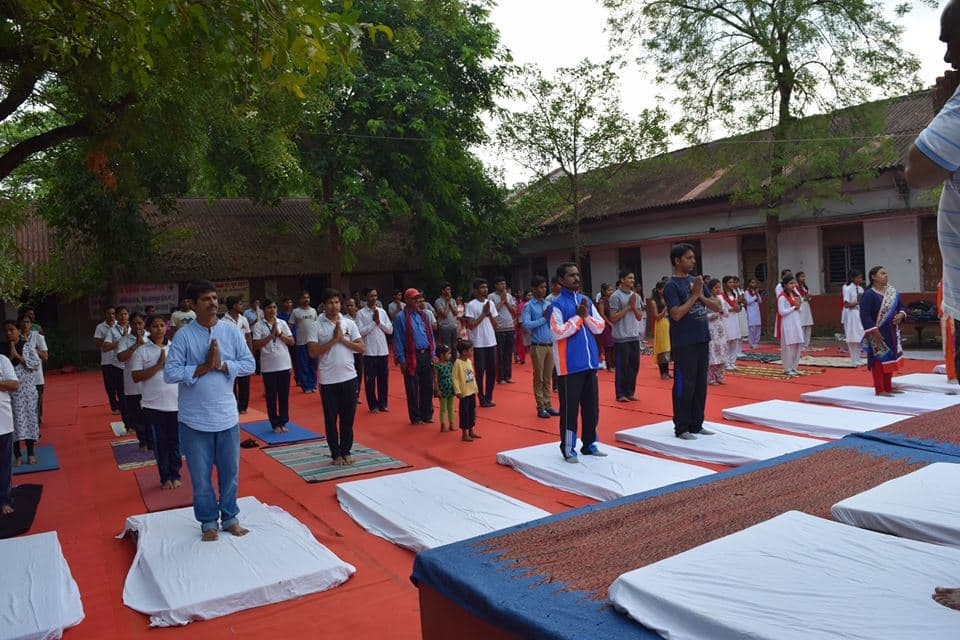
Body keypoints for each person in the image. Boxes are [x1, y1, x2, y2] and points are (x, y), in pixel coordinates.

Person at [164, 280, 255, 541]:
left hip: (226, 416)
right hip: (194, 421)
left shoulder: (230, 331)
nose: (213, 303)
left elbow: (249, 363)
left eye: (215, 298)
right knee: (201, 478)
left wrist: (223, 365)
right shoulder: (182, 336)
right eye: (206, 299)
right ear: (192, 305)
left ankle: (230, 518)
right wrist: (202, 367)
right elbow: (170, 374)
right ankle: (208, 522)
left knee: (230, 474)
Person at [549, 262, 607, 462]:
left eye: (577, 274)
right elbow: (558, 332)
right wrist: (578, 318)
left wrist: (584, 316)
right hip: (569, 366)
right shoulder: (556, 305)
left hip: (590, 364)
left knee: (592, 408)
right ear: (561, 280)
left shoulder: (585, 300)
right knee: (570, 410)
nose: (576, 278)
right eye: (571, 275)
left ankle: (589, 444)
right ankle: (568, 448)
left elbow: (599, 327)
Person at [664, 244, 720, 440]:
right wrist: (694, 296)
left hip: (701, 337)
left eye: (694, 258)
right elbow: (676, 314)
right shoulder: (671, 286)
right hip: (684, 342)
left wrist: (701, 295)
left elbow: (717, 306)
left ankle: (697, 423)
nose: (693, 261)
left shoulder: (696, 281)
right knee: (684, 384)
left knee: (699, 384)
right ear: (677, 261)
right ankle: (682, 426)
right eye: (689, 258)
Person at [308, 289, 364, 465]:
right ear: (324, 305)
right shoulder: (316, 325)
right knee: (331, 420)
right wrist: (333, 340)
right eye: (330, 303)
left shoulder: (349, 323)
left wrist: (343, 340)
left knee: (348, 418)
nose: (334, 306)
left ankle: (346, 450)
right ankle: (336, 454)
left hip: (349, 377)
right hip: (329, 380)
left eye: (337, 302)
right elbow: (312, 352)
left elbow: (361, 347)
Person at [132, 315, 181, 489]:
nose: (159, 329)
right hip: (153, 405)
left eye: (162, 325)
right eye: (155, 326)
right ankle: (165, 477)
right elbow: (136, 377)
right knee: (160, 443)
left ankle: (176, 474)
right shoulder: (142, 350)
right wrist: (159, 365)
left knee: (175, 442)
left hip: (175, 403)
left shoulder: (175, 347)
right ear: (148, 329)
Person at [860, 266, 907, 397]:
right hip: (876, 332)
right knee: (879, 359)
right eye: (882, 273)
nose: (886, 275)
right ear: (873, 277)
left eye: (886, 273)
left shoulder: (891, 292)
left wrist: (901, 314)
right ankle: (880, 389)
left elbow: (901, 306)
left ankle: (888, 386)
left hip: (891, 331)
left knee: (890, 358)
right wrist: (873, 331)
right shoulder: (869, 294)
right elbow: (864, 315)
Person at [394, 287, 436, 424]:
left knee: (427, 385)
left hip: (426, 354)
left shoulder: (424, 314)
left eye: (418, 298)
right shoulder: (401, 317)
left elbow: (430, 334)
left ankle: (427, 414)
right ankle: (415, 417)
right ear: (407, 300)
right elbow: (398, 339)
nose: (418, 301)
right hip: (411, 355)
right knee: (412, 388)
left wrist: (433, 353)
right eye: (414, 298)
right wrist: (401, 359)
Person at [252, 299, 294, 432]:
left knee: (283, 395)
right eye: (269, 307)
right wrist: (271, 335)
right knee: (271, 396)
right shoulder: (259, 325)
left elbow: (292, 342)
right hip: (269, 366)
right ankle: (274, 423)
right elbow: (256, 345)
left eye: (274, 307)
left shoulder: (282, 323)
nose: (272, 310)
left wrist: (280, 334)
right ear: (264, 310)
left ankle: (283, 421)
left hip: (284, 364)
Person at [520, 275, 559, 418]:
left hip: (550, 344)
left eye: (544, 287)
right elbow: (526, 325)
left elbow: (553, 323)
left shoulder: (548, 304)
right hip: (537, 345)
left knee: (548, 377)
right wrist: (543, 318)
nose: (543, 290)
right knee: (539, 377)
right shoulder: (528, 306)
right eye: (541, 287)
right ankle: (540, 406)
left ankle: (548, 404)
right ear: (534, 289)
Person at [5, 318, 40, 466]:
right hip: (11, 394)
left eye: (11, 330)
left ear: (18, 331)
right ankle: (17, 455)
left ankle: (31, 452)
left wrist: (18, 356)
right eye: (6, 331)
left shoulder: (27, 346)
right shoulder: (2, 349)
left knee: (30, 420)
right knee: (14, 423)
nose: (8, 333)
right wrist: (10, 351)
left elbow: (36, 364)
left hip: (27, 392)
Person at [116, 312, 150, 450]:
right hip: (132, 384)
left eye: (140, 323)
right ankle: (143, 441)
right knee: (137, 415)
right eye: (134, 323)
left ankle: (152, 440)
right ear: (130, 325)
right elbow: (121, 357)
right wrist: (136, 344)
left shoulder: (152, 337)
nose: (137, 326)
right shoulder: (124, 340)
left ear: (144, 324)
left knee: (151, 414)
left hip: (150, 383)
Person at [357, 288, 393, 413]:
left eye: (375, 295)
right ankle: (373, 405)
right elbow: (360, 332)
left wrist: (379, 322)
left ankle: (383, 403)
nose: (374, 298)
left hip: (383, 350)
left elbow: (390, 329)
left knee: (383, 379)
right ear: (365, 297)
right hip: (369, 352)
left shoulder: (382, 311)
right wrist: (373, 323)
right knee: (370, 380)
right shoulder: (361, 313)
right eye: (371, 296)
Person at [609, 271, 643, 401]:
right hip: (621, 337)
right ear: (622, 279)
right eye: (629, 277)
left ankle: (630, 392)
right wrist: (628, 307)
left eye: (633, 277)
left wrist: (633, 307)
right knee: (622, 366)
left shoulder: (636, 296)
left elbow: (639, 317)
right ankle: (620, 393)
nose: (632, 280)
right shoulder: (615, 296)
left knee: (634, 366)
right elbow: (613, 317)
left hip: (634, 336)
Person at [464, 278, 498, 407]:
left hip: (491, 341)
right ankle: (481, 397)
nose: (485, 289)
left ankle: (489, 396)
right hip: (478, 343)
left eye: (486, 287)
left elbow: (496, 325)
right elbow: (471, 325)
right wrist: (483, 314)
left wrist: (489, 314)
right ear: (476, 289)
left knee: (492, 371)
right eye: (482, 287)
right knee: (480, 371)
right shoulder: (471, 305)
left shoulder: (491, 303)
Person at [223, 297, 254, 414]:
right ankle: (234, 405)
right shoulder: (224, 321)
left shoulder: (244, 319)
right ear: (234, 305)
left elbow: (248, 336)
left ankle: (243, 407)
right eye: (240, 304)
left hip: (243, 353)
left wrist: (251, 352)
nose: (242, 306)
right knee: (232, 380)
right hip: (230, 354)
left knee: (245, 380)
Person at [94, 305, 123, 414]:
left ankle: (122, 405)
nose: (111, 315)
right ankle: (114, 406)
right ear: (105, 314)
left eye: (113, 313)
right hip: (107, 361)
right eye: (109, 313)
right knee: (110, 385)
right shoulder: (100, 327)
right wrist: (111, 344)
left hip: (120, 360)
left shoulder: (120, 326)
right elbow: (98, 343)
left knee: (120, 384)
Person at [488, 276, 518, 384]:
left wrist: (507, 301)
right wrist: (502, 301)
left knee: (508, 353)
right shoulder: (491, 296)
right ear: (496, 285)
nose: (503, 286)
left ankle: (507, 376)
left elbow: (514, 311)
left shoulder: (509, 296)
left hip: (509, 326)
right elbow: (491, 311)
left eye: (504, 284)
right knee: (500, 354)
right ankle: (500, 377)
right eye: (501, 284)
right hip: (499, 328)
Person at [290, 292, 319, 393]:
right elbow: (290, 326)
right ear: (300, 299)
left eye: (308, 297)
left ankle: (313, 384)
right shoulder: (295, 312)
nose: (306, 299)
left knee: (313, 364)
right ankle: (306, 386)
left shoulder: (314, 311)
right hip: (301, 342)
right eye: (304, 297)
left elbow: (317, 325)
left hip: (313, 342)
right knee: (303, 365)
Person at [0, 351, 18, 515]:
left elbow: (14, 385)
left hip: (3, 423)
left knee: (4, 464)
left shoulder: (2, 360)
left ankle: (4, 500)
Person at [452, 339, 481, 442]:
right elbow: (454, 378)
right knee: (464, 413)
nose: (472, 352)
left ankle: (471, 430)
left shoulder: (469, 361)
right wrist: (457, 390)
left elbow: (472, 375)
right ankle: (464, 433)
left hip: (471, 391)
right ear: (464, 352)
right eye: (471, 350)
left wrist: (475, 387)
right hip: (464, 393)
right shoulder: (457, 363)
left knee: (472, 412)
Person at [776, 275, 804, 377]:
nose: (793, 285)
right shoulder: (782, 296)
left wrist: (798, 306)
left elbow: (799, 309)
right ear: (785, 285)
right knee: (788, 346)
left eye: (794, 283)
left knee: (797, 344)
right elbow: (781, 312)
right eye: (791, 283)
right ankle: (787, 368)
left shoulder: (795, 295)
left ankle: (794, 367)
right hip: (787, 322)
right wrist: (793, 307)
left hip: (796, 321)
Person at [21, 316, 47, 424]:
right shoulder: (16, 337)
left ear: (31, 324)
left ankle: (36, 422)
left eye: (27, 322)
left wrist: (33, 349)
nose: (25, 324)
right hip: (22, 376)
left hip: (36, 376)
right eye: (22, 322)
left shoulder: (38, 337)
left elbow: (45, 356)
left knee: (37, 401)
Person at [707, 279, 729, 385]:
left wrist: (723, 310)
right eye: (716, 287)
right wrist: (715, 314)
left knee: (722, 351)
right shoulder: (706, 300)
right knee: (713, 352)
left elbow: (726, 314)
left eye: (719, 287)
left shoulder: (720, 299)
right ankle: (711, 377)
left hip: (720, 327)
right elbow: (704, 316)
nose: (718, 289)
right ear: (710, 289)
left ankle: (719, 376)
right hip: (711, 328)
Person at [842, 270, 866, 366]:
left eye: (861, 277)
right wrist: (857, 302)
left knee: (860, 335)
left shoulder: (860, 289)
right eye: (858, 278)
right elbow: (846, 304)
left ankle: (858, 357)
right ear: (853, 278)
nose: (860, 279)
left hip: (859, 313)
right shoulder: (848, 289)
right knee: (852, 336)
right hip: (851, 314)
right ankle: (853, 358)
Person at [649, 279, 672, 379]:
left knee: (668, 349)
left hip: (669, 324)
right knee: (662, 349)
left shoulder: (668, 298)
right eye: (663, 289)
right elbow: (656, 316)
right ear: (659, 290)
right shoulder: (654, 301)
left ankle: (667, 371)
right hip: (661, 324)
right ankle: (662, 372)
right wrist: (666, 309)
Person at [344, 297, 364, 402]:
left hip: (360, 350)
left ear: (356, 306)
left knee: (359, 374)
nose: (349, 307)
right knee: (349, 373)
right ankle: (349, 395)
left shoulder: (361, 317)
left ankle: (356, 394)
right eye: (347, 306)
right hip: (349, 351)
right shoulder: (343, 320)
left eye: (351, 305)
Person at [720, 276, 741, 371]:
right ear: (724, 284)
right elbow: (721, 309)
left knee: (735, 340)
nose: (732, 284)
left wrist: (738, 308)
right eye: (730, 282)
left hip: (734, 319)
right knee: (727, 341)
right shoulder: (721, 296)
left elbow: (736, 304)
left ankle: (732, 361)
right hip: (726, 320)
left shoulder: (735, 293)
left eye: (733, 282)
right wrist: (732, 309)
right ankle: (726, 362)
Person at [433, 344, 456, 432]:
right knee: (443, 408)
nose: (450, 355)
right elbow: (435, 379)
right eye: (448, 353)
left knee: (451, 407)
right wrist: (437, 389)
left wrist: (455, 386)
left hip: (450, 388)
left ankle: (451, 424)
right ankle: (443, 424)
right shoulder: (437, 366)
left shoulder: (450, 364)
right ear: (442, 355)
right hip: (442, 390)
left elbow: (453, 375)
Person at [434, 283, 460, 359]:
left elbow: (455, 313)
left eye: (450, 289)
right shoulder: (438, 301)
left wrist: (450, 303)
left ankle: (455, 363)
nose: (449, 291)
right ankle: (447, 364)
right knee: (446, 347)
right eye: (447, 289)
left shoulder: (453, 300)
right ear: (442, 291)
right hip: (444, 327)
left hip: (453, 326)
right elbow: (444, 314)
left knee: (454, 347)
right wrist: (447, 303)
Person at [595, 283, 615, 371]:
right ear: (603, 291)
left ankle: (614, 364)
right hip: (606, 325)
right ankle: (609, 365)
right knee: (608, 346)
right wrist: (609, 323)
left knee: (614, 345)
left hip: (613, 324)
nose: (611, 292)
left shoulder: (612, 300)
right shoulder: (602, 301)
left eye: (611, 290)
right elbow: (601, 314)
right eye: (609, 290)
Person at [796, 271, 815, 349]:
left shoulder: (805, 287)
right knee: (802, 325)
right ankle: (801, 344)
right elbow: (797, 298)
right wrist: (804, 297)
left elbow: (808, 297)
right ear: (797, 278)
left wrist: (808, 297)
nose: (803, 278)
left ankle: (806, 344)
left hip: (807, 306)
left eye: (804, 276)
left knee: (808, 325)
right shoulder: (795, 287)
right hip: (801, 306)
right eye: (801, 277)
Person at [743, 278, 763, 349]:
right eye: (752, 282)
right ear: (749, 284)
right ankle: (751, 343)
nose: (754, 284)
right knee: (752, 328)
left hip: (757, 311)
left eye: (755, 282)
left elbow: (760, 301)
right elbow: (748, 301)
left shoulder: (756, 292)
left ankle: (756, 342)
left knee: (758, 327)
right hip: (751, 311)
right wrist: (755, 295)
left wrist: (757, 294)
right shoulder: (746, 292)